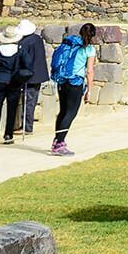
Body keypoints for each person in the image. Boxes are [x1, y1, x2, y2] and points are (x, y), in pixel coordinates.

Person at [48, 23, 96, 156]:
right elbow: (89, 71)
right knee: (71, 113)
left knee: (63, 111)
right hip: (75, 82)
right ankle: (59, 143)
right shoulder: (89, 49)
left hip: (62, 80)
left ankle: (57, 141)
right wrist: (89, 90)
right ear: (93, 35)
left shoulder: (68, 43)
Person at [0, 28, 24, 144]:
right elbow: (26, 65)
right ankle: (8, 135)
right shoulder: (19, 50)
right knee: (11, 109)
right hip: (14, 82)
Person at [15, 20, 50, 137]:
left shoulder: (24, 43)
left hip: (29, 76)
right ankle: (27, 125)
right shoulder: (37, 39)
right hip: (39, 75)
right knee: (32, 101)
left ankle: (27, 127)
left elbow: (22, 60)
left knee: (28, 101)